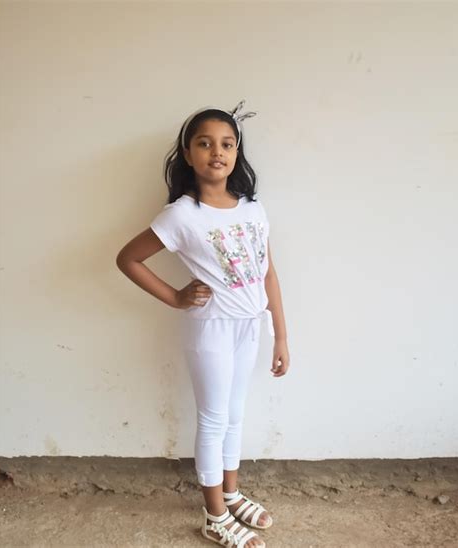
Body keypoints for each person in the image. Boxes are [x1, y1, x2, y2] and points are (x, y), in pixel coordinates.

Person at [116, 99, 290, 548]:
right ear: (188, 154)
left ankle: (230, 493)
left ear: (237, 154)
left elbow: (268, 273)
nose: (218, 151)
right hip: (210, 327)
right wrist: (175, 296)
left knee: (234, 415)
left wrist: (281, 335)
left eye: (227, 144)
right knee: (213, 419)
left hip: (250, 326)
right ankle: (214, 516)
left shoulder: (253, 208)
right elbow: (128, 259)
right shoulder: (182, 215)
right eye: (205, 143)